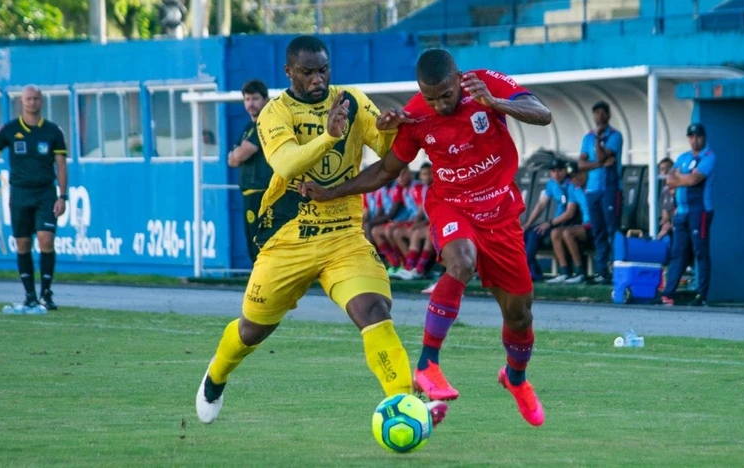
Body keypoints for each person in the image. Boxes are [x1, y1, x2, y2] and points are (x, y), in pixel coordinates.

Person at [195, 36, 448, 426]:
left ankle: (405, 403)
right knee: (253, 330)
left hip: (344, 235)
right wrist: (329, 136)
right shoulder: (274, 112)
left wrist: (392, 129)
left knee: (374, 311)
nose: (318, 78)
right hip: (288, 239)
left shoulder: (351, 100)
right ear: (289, 72)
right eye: (308, 71)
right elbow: (286, 165)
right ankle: (216, 374)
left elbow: (388, 153)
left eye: (323, 69)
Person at [300, 49, 552, 426]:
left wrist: (496, 102)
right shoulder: (416, 114)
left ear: (458, 80)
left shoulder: (483, 83)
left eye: (445, 96)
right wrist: (330, 191)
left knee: (519, 315)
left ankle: (516, 380)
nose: (438, 104)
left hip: (501, 213)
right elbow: (386, 171)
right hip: (452, 206)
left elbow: (542, 113)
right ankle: (427, 364)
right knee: (461, 262)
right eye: (430, 97)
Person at [0, 85, 68, 311]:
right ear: (22, 102)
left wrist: (63, 195)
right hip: (19, 193)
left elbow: (61, 164)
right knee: (22, 243)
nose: (32, 102)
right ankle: (29, 295)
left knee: (46, 239)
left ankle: (46, 293)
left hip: (45, 192)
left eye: (36, 99)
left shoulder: (53, 131)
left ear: (42, 102)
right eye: (28, 99)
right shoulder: (8, 130)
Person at [659, 123, 716, 307]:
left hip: (699, 211)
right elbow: (669, 179)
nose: (694, 140)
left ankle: (702, 294)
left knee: (700, 252)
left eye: (698, 136)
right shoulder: (683, 157)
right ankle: (668, 293)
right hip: (681, 212)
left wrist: (681, 179)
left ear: (704, 137)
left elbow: (695, 179)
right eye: (691, 137)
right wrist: (684, 179)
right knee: (678, 253)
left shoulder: (709, 156)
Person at [577, 101, 623, 284]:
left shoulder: (615, 135)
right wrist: (598, 164)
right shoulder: (587, 137)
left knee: (612, 229)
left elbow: (604, 154)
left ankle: (617, 268)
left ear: (609, 115)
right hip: (592, 190)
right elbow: (581, 163)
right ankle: (602, 271)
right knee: (598, 231)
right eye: (597, 113)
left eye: (603, 112)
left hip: (610, 189)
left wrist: (598, 141)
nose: (600, 116)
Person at [227, 79, 272, 264]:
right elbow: (231, 160)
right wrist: (237, 154)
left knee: (260, 243)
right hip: (249, 193)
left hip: (261, 193)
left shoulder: (265, 125)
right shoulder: (248, 128)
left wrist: (237, 154)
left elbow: (240, 155)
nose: (250, 103)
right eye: (247, 99)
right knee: (252, 243)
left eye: (255, 98)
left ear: (266, 100)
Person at [521, 158, 571, 281]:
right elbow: (541, 205)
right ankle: (533, 271)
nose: (557, 174)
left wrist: (548, 224)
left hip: (566, 222)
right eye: (553, 171)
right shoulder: (551, 183)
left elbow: (570, 212)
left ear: (565, 171)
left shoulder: (570, 184)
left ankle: (529, 270)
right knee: (526, 233)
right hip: (554, 222)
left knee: (534, 234)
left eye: (559, 170)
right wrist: (527, 224)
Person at [545, 164, 593, 284]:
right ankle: (565, 272)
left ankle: (580, 272)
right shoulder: (573, 188)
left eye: (578, 175)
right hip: (585, 224)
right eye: (572, 177)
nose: (575, 179)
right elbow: (570, 210)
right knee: (555, 233)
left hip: (595, 225)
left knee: (568, 233)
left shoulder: (593, 187)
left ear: (585, 174)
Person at [393, 164, 434, 280]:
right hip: (430, 223)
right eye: (424, 174)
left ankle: (419, 269)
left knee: (427, 233)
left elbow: (424, 213)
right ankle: (409, 267)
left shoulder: (425, 188)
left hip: (439, 224)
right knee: (406, 232)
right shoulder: (426, 188)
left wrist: (418, 224)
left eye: (429, 174)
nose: (427, 177)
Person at [657, 157, 675, 240]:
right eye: (662, 169)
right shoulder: (664, 190)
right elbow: (665, 214)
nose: (665, 171)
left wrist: (671, 224)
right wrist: (663, 224)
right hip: (669, 224)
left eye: (668, 168)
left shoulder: (679, 188)